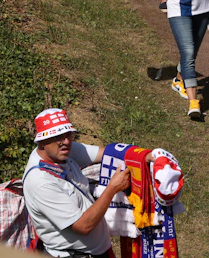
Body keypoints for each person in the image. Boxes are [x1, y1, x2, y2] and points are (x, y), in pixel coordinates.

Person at [22, 108, 135, 258]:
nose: (66, 142)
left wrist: (147, 155)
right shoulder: (40, 182)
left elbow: (107, 153)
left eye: (69, 135)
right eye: (58, 137)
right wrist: (112, 188)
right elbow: (83, 226)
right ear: (42, 142)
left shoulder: (61, 151)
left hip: (98, 251)